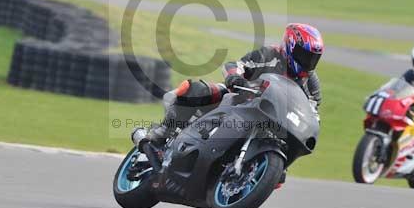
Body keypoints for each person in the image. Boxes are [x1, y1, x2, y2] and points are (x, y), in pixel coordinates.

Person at [132, 23, 324, 151]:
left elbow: (313, 115)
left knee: (281, 172)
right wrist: (235, 78)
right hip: (242, 99)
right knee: (197, 90)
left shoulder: (311, 83)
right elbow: (236, 65)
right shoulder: (270, 55)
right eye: (304, 55)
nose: (308, 62)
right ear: (290, 46)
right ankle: (160, 134)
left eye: (313, 58)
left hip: (273, 122)